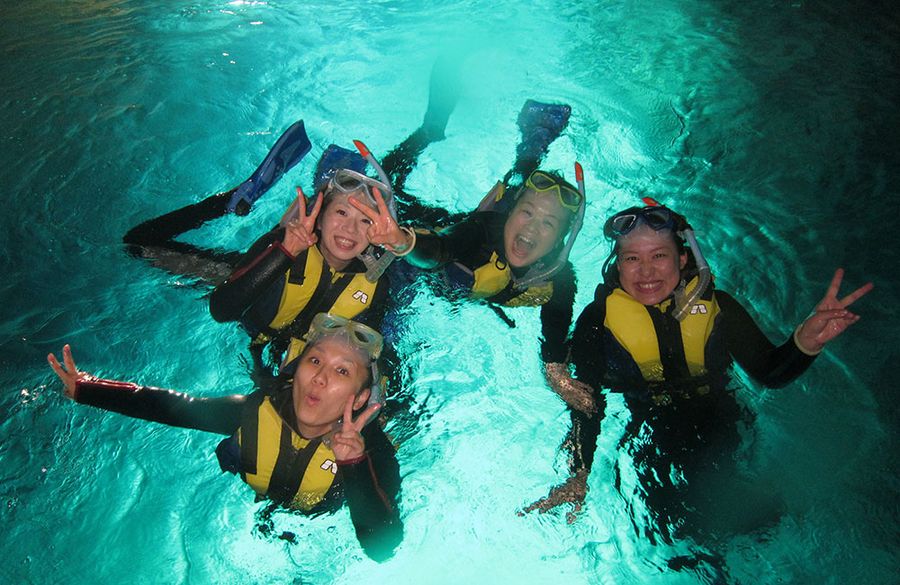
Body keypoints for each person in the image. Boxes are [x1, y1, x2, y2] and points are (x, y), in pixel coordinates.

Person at [524, 202, 873, 544]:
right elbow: (586, 403)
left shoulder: (720, 308)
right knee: (671, 531)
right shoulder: (597, 322)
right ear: (618, 265)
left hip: (724, 424)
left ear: (682, 258)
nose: (646, 271)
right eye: (632, 259)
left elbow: (771, 373)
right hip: (651, 433)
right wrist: (579, 473)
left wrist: (805, 342)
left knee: (752, 520)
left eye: (659, 255)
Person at [46, 313, 403, 561]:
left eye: (342, 371)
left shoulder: (373, 454)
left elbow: (382, 549)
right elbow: (173, 407)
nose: (320, 378)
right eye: (315, 361)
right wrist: (87, 389)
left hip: (322, 525)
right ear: (296, 371)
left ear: (359, 398)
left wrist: (354, 465)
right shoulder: (253, 412)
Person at [352, 100, 586, 380]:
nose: (533, 229)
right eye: (527, 213)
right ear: (510, 214)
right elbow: (442, 248)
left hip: (468, 276)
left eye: (549, 223)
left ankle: (536, 142)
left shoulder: (557, 277)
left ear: (560, 239)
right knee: (384, 193)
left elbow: (556, 330)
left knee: (522, 190)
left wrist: (557, 370)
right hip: (432, 235)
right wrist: (405, 242)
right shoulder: (480, 232)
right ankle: (430, 130)